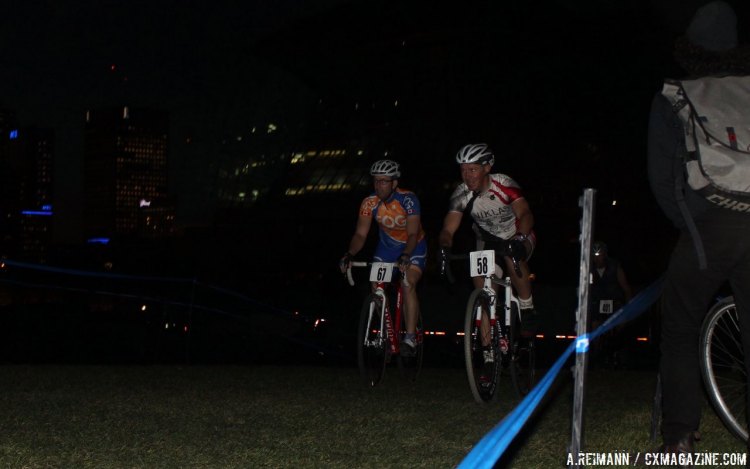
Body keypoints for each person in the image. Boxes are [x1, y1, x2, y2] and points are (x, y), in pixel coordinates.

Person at [647, 0, 750, 458]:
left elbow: (660, 177)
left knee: (680, 326)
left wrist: (687, 224)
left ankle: (681, 439)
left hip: (710, 222)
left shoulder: (674, 94)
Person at [438, 143, 538, 338]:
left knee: (511, 255)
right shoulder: (461, 194)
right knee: (484, 296)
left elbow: (526, 214)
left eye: (473, 169)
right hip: (488, 241)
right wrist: (443, 247)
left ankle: (527, 307)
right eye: (463, 170)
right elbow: (448, 229)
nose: (467, 175)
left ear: (487, 168)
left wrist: (519, 238)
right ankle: (489, 353)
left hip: (517, 234)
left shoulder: (505, 184)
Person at [339, 159, 427, 356]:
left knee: (407, 283)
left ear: (394, 183)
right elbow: (360, 235)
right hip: (386, 248)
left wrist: (406, 255)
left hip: (413, 246)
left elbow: (412, 234)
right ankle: (387, 332)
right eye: (376, 181)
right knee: (376, 286)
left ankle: (410, 338)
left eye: (384, 181)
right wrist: (349, 254)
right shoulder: (369, 203)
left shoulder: (409, 199)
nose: (379, 185)